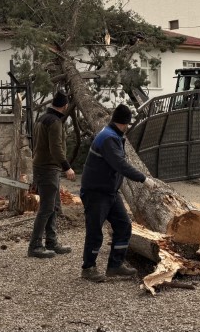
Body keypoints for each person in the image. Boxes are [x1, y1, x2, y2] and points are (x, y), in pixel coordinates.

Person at [79, 104, 157, 282]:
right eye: (128, 124)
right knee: (95, 231)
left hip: (110, 192)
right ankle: (88, 268)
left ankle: (115, 265)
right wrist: (144, 179)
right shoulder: (108, 138)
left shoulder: (113, 135)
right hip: (96, 192)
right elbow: (120, 165)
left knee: (123, 225)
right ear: (125, 123)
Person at [28, 91, 75, 259]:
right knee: (47, 207)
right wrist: (66, 167)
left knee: (53, 206)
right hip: (48, 168)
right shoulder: (55, 122)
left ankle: (51, 241)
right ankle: (35, 245)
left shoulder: (41, 118)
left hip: (43, 167)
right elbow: (56, 148)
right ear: (65, 106)